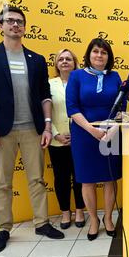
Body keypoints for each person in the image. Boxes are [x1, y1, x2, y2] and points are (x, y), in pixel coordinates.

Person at [0, 6, 64, 254]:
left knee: (37, 179)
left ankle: (42, 223)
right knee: (2, 182)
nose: (15, 25)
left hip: (33, 129)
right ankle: (3, 228)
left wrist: (46, 126)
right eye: (10, 21)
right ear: (0, 26)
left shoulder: (36, 59)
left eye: (19, 21)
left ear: (24, 26)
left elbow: (45, 96)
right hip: (1, 131)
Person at [66, 38, 124, 240]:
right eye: (96, 51)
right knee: (87, 180)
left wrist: (112, 130)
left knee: (110, 179)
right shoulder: (76, 76)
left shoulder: (115, 77)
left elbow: (122, 110)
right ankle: (93, 220)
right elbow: (72, 108)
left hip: (112, 134)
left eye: (104, 52)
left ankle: (108, 218)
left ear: (109, 57)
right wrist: (92, 130)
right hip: (84, 134)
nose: (99, 55)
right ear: (88, 55)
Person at [48, 49, 85, 229]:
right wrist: (56, 134)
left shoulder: (81, 82)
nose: (64, 61)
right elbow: (45, 112)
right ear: (56, 64)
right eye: (60, 59)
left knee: (79, 177)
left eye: (68, 59)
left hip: (80, 138)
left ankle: (79, 210)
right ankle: (65, 213)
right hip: (57, 140)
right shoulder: (48, 84)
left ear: (75, 62)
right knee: (61, 178)